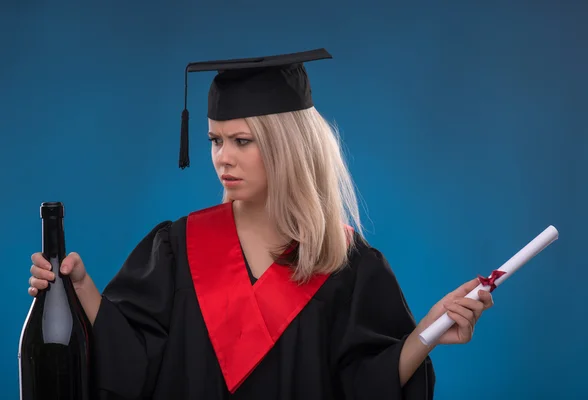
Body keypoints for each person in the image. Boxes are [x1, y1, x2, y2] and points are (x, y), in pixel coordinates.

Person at [27, 48, 494, 399]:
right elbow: (132, 365)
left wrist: (425, 336)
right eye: (214, 140)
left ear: (287, 146)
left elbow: (363, 386)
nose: (222, 159)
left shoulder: (348, 265)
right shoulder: (177, 246)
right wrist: (82, 288)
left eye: (242, 141)